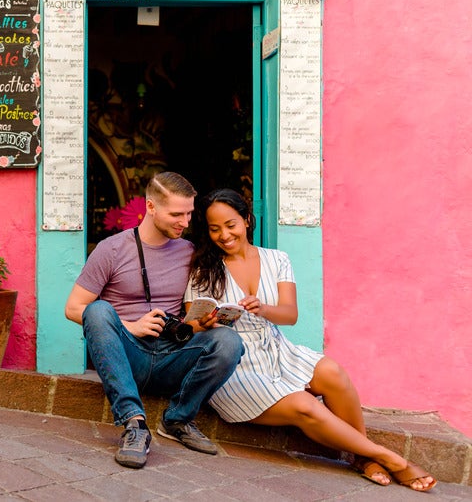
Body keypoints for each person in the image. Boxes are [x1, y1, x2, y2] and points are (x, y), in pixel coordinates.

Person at [186, 188, 437, 492]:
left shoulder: (277, 259)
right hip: (233, 367)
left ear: (247, 220)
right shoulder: (204, 269)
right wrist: (206, 322)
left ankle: (362, 459)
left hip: (276, 349)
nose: (224, 235)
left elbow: (290, 315)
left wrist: (264, 308)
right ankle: (390, 459)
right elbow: (192, 327)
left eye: (231, 225)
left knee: (334, 373)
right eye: (214, 229)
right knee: (306, 407)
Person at [64, 172, 244, 469]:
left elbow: (192, 316)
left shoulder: (188, 252)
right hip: (128, 354)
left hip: (171, 353)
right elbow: (73, 308)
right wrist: (129, 326)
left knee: (228, 341)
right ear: (150, 207)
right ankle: (134, 426)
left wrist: (205, 320)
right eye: (176, 214)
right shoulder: (112, 249)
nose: (185, 223)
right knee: (97, 310)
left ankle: (178, 419)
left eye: (188, 214)